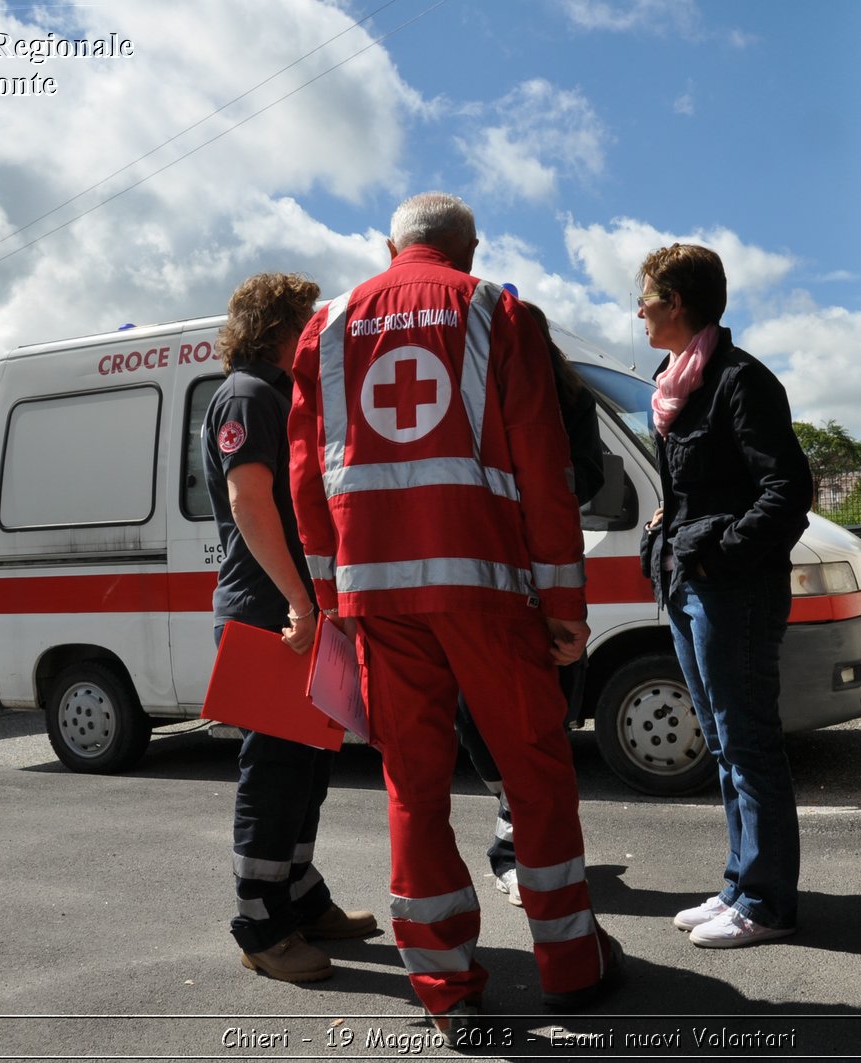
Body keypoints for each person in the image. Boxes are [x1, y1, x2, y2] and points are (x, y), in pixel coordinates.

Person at [287, 192, 623, 1031]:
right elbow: (544, 467)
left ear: (388, 244)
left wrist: (335, 602)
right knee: (536, 772)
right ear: (468, 249)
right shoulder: (494, 308)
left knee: (415, 787)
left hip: (379, 598)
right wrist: (564, 603)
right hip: (488, 588)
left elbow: (305, 482)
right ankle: (570, 965)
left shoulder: (325, 327)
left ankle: (445, 991)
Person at [635, 243, 813, 948]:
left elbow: (787, 492)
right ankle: (740, 882)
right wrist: (671, 526)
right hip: (688, 585)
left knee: (749, 743)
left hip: (731, 593)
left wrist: (718, 553)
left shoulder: (741, 381)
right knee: (722, 744)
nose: (638, 310)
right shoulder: (674, 380)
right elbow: (705, 488)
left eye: (645, 297)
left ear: (677, 302)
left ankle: (768, 902)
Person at [204, 271, 376, 985]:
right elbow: (250, 500)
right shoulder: (246, 394)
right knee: (274, 773)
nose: (315, 330)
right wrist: (299, 604)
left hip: (296, 611)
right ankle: (260, 923)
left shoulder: (275, 393)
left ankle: (298, 894)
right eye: (305, 318)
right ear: (278, 324)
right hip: (270, 614)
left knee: (307, 768)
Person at [454, 299, 605, 907]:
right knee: (479, 718)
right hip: (486, 574)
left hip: (542, 573)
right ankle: (512, 821)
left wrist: (540, 486)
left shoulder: (571, 400)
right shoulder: (474, 392)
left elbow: (589, 478)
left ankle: (520, 844)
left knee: (543, 719)